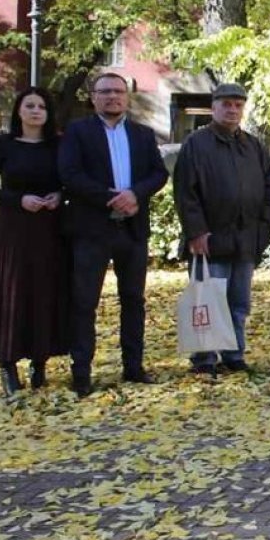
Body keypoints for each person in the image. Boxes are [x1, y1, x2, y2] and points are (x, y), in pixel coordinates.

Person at [59, 71, 168, 396]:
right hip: (92, 229)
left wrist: (135, 194)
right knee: (84, 302)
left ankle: (133, 367)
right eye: (105, 91)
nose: (112, 97)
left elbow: (158, 174)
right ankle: (81, 373)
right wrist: (110, 198)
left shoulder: (142, 134)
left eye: (118, 92)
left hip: (132, 230)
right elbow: (70, 174)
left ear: (127, 97)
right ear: (93, 97)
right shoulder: (78, 132)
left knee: (134, 300)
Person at [0, 87, 70, 395]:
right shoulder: (4, 144)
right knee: (11, 293)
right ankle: (7, 363)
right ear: (19, 111)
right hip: (11, 230)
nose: (36, 111)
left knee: (44, 293)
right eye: (30, 105)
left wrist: (60, 195)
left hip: (49, 230)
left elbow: (71, 181)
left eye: (42, 106)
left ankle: (40, 361)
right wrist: (19, 199)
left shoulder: (59, 145)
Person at [173, 82, 270, 376]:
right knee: (208, 300)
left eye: (238, 105)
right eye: (226, 104)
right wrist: (196, 232)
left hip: (246, 238)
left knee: (238, 303)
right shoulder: (196, 143)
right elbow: (185, 191)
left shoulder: (253, 146)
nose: (232, 110)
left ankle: (234, 353)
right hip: (210, 238)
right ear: (213, 107)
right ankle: (204, 357)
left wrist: (263, 228)